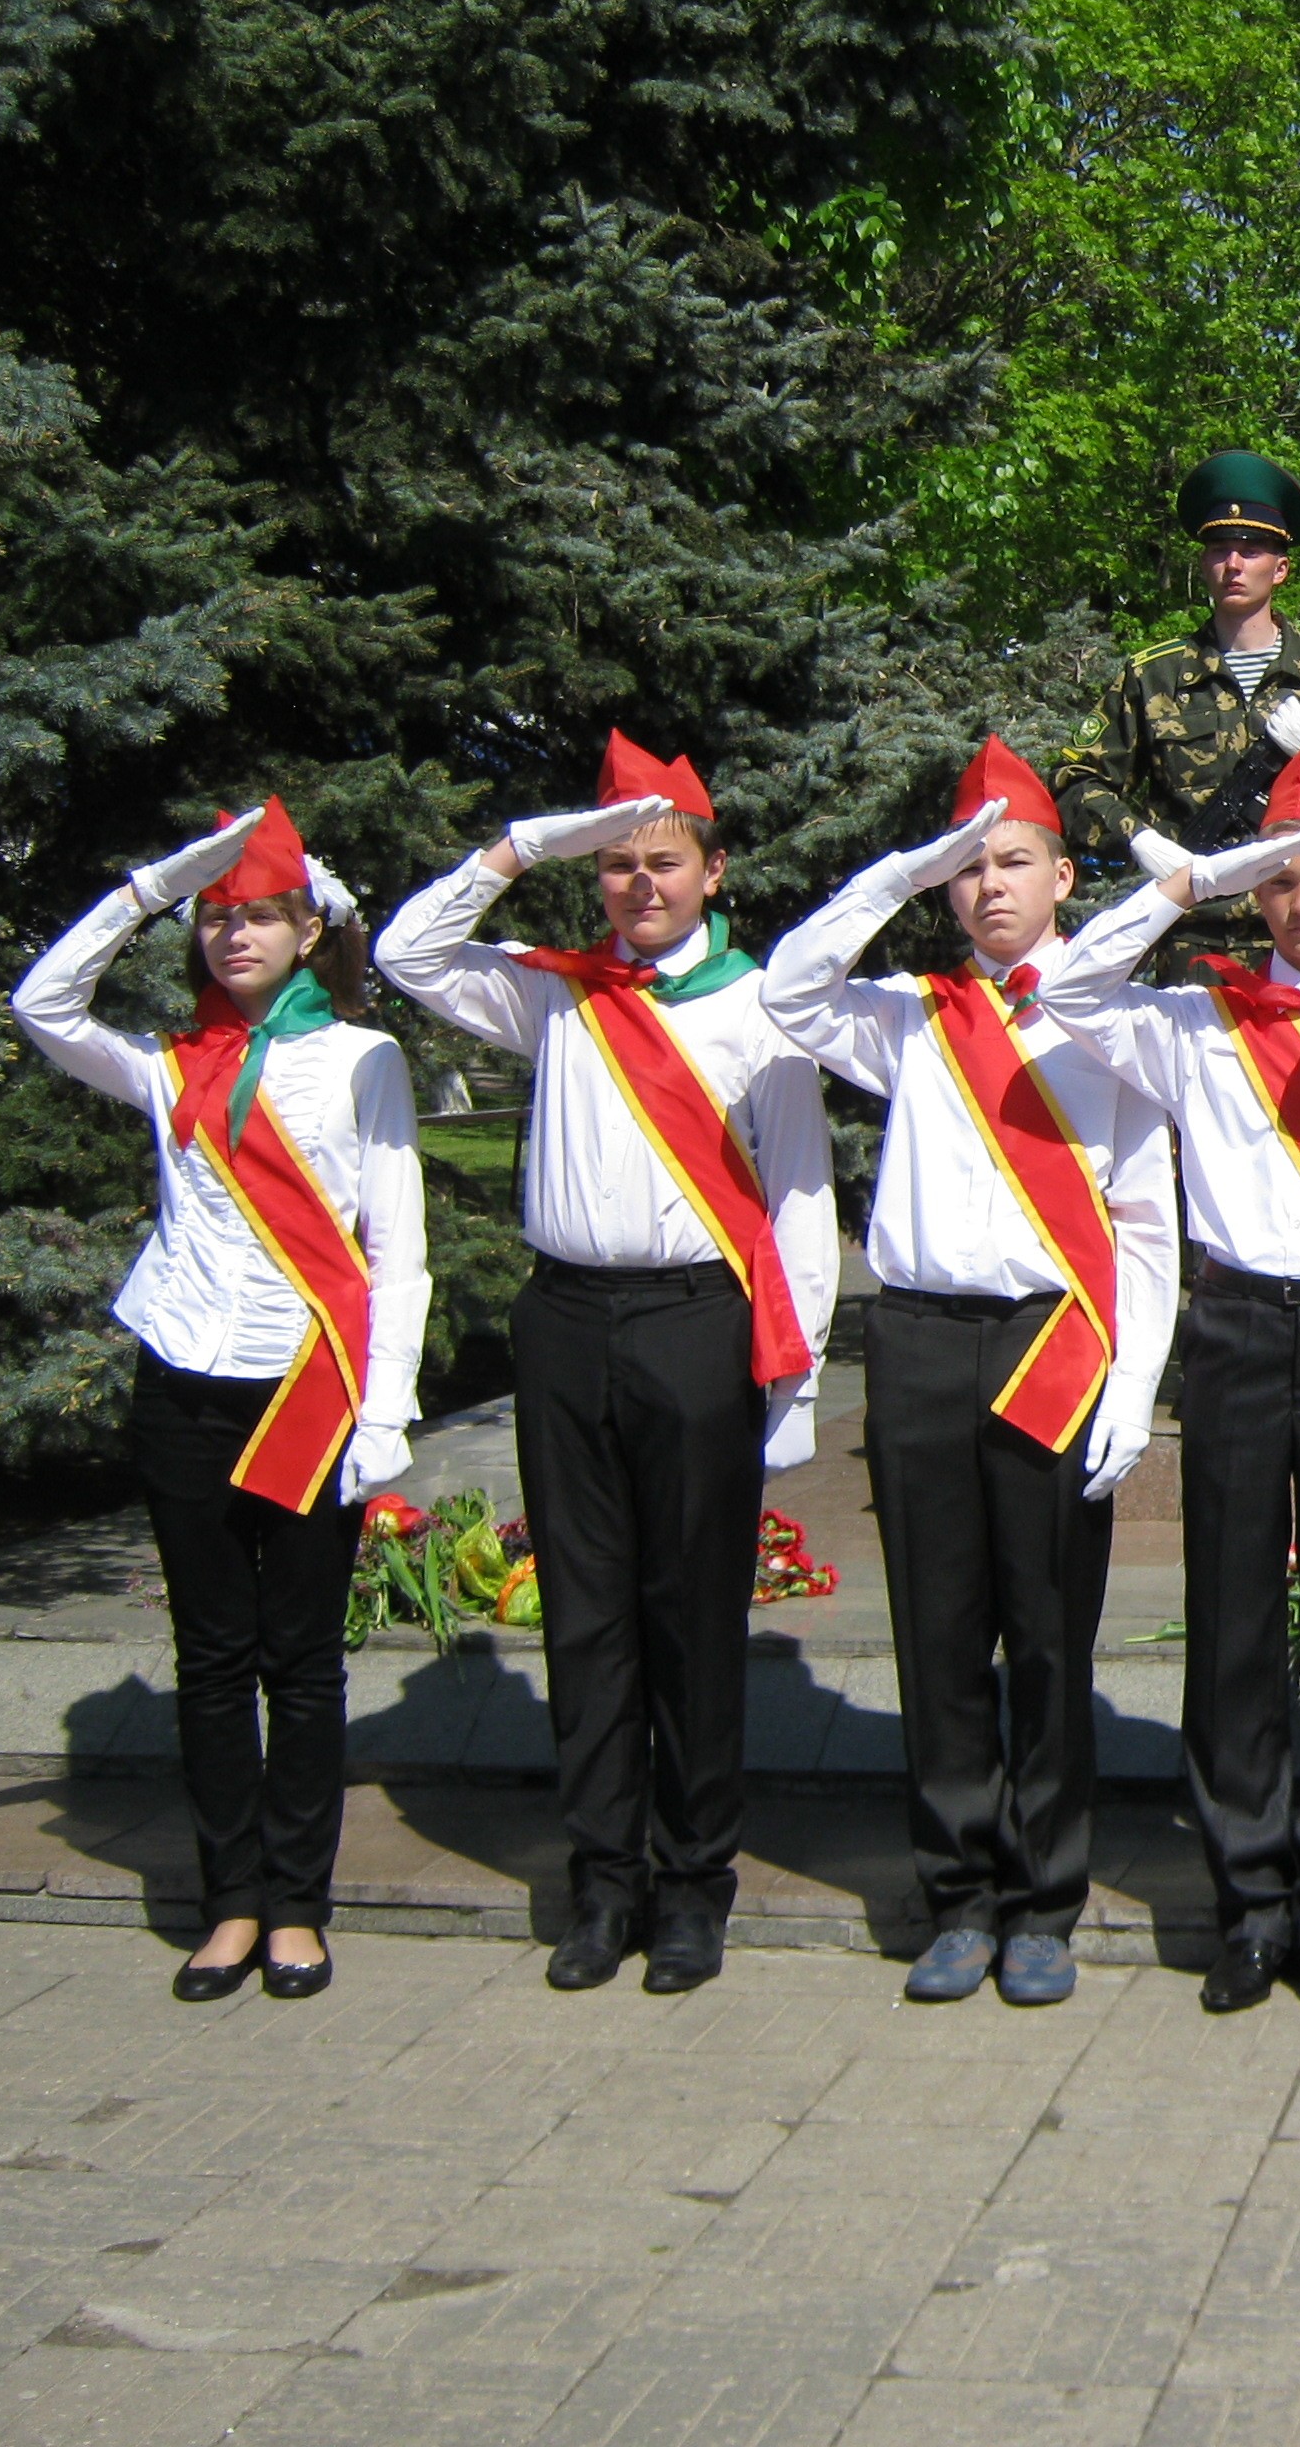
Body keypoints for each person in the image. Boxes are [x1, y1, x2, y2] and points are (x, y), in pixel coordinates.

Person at [379, 735, 839, 1996]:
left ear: (712, 869)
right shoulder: (557, 992)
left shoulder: (758, 1005)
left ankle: (695, 1887)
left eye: (664, 860)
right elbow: (406, 954)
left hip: (698, 1322)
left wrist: (793, 1382)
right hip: (566, 1322)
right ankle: (603, 1882)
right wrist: (526, 845)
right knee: (583, 1613)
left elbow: (800, 1196)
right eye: (619, 863)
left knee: (691, 1615)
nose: (640, 884)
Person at [1029, 745, 1300, 2018]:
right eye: (1276, 886)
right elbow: (1070, 987)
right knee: (1227, 1628)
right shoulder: (1192, 1019)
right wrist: (1182, 886)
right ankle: (1248, 1904)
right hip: (1230, 1334)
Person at [759, 739, 1179, 2008]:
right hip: (925, 1344)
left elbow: (1149, 1228)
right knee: (938, 1636)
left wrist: (1134, 1391)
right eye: (971, 867)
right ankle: (958, 1895)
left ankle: (1044, 1901)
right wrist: (899, 872)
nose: (991, 886)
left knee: (1049, 1642)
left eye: (1014, 862)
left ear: (1064, 877)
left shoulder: (1113, 1027)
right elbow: (788, 989)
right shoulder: (907, 1017)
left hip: (1058, 1340)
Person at [12, 802, 426, 2002]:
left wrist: (389, 1405)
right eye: (217, 917)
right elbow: (41, 1005)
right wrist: (148, 887)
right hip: (184, 1387)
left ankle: (299, 1904)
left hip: (312, 1388)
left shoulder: (363, 1057)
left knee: (300, 1663)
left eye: (259, 915)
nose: (234, 934)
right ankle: (227, 1904)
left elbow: (396, 1248)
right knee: (210, 1658)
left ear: (310, 929)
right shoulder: (164, 1064)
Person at [1048, 450, 1300, 979]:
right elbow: (1070, 779)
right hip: (1192, 942)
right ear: (1204, 565)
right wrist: (1139, 837)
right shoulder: (1153, 676)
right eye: (1220, 551)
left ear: (1281, 567)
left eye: (1251, 551)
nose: (1235, 565)